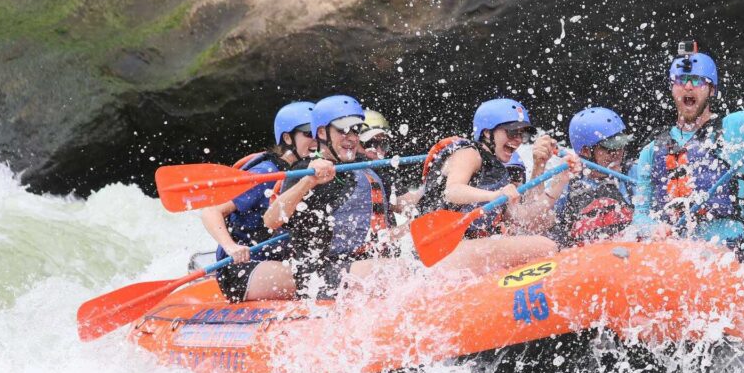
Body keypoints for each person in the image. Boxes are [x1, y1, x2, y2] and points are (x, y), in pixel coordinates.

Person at [632, 43, 744, 269]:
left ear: (711, 90)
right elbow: (640, 216)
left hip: (729, 253)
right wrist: (653, 229)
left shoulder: (732, 129)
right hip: (680, 259)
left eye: (698, 81)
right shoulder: (651, 151)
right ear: (672, 88)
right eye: (682, 80)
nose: (689, 87)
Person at [416, 98, 580, 272]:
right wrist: (494, 195)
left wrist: (560, 178)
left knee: (544, 233)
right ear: (487, 133)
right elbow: (452, 190)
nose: (518, 140)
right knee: (544, 247)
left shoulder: (498, 172)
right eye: (511, 133)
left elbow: (525, 222)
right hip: (439, 251)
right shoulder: (469, 153)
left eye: (521, 134)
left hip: (462, 250)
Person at [263, 95, 397, 300]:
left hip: (365, 263)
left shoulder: (365, 166)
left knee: (407, 267)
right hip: (321, 273)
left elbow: (401, 203)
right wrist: (308, 181)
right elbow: (271, 221)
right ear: (322, 133)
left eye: (355, 130)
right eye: (343, 130)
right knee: (391, 272)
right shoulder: (303, 170)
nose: (351, 137)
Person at [200, 101, 314, 303]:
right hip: (243, 268)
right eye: (308, 134)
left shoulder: (312, 172)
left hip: (279, 261)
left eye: (319, 133)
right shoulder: (266, 173)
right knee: (314, 278)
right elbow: (211, 211)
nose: (316, 141)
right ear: (287, 138)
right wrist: (231, 247)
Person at [545, 107, 635, 248]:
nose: (618, 153)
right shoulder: (565, 181)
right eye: (610, 148)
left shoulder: (633, 174)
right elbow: (539, 221)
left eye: (621, 145)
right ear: (586, 151)